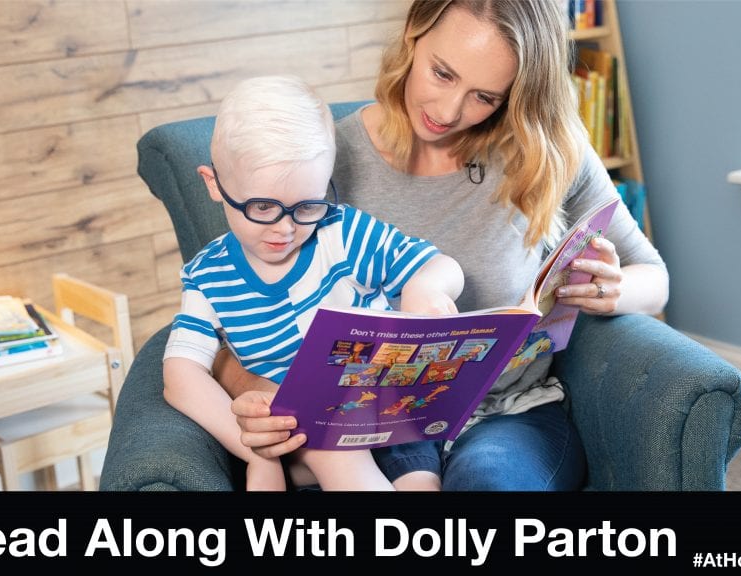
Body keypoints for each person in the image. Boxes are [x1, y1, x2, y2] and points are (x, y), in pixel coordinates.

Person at [218, 0, 668, 491]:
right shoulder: (324, 162)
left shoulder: (546, 151)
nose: (450, 112)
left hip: (507, 416)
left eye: (485, 96)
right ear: (414, 31)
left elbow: (655, 278)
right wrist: (259, 395)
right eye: (442, 73)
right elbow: (226, 319)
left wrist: (611, 290)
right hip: (372, 429)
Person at [162, 75, 464, 491]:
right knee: (328, 445)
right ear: (214, 184)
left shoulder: (343, 233)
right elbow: (180, 375)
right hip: (301, 440)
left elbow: (443, 266)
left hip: (389, 424)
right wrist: (254, 448)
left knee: (420, 485)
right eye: (263, 206)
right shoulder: (206, 276)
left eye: (306, 205)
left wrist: (424, 288)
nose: (285, 229)